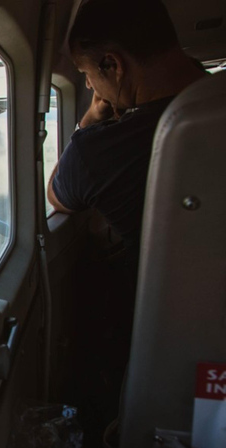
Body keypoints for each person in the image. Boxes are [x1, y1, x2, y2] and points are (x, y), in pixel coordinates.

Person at [47, 0, 207, 269]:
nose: (88, 84)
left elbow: (57, 197)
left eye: (86, 73)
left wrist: (87, 123)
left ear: (112, 64)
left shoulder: (99, 151)